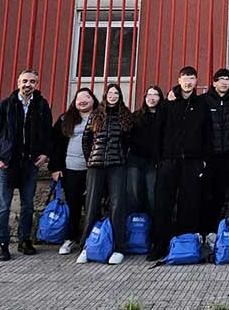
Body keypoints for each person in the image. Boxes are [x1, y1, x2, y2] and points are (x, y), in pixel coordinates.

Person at [0, 69, 52, 261]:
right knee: (3, 206)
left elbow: (48, 133)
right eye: (24, 81)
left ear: (37, 84)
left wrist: (46, 154)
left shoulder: (41, 105)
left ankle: (24, 240)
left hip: (29, 164)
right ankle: (2, 243)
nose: (28, 84)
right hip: (7, 164)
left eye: (32, 81)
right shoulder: (5, 105)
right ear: (17, 82)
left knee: (28, 205)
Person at [149, 67, 212, 261]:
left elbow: (207, 133)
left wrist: (204, 160)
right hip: (169, 160)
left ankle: (185, 245)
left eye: (192, 78)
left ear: (196, 81)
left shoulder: (202, 104)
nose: (188, 82)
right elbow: (157, 132)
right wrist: (159, 159)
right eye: (185, 78)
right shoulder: (169, 103)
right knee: (163, 204)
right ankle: (160, 245)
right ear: (179, 79)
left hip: (192, 161)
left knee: (189, 204)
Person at [76, 83, 132, 265]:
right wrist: (91, 158)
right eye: (110, 93)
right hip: (96, 166)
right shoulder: (96, 115)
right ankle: (86, 246)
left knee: (117, 206)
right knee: (92, 205)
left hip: (117, 165)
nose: (113, 96)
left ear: (120, 96)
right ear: (105, 95)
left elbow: (128, 142)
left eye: (116, 93)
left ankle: (118, 247)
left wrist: (121, 157)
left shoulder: (125, 117)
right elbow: (86, 140)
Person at [50, 87, 99, 255]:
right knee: (73, 205)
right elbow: (55, 145)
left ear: (93, 100)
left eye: (86, 97)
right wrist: (55, 168)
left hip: (93, 170)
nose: (82, 100)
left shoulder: (99, 118)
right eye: (79, 98)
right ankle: (70, 238)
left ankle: (90, 239)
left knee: (92, 206)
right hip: (71, 169)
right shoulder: (66, 119)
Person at [202, 68, 229, 243]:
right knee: (205, 194)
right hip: (209, 156)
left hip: (228, 156)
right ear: (214, 82)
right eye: (221, 79)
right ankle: (203, 230)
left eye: (227, 79)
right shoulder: (205, 100)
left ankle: (218, 230)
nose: (224, 82)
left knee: (222, 195)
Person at [127, 85, 162, 216]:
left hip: (154, 161)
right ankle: (133, 226)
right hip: (135, 159)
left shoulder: (164, 116)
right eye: (149, 95)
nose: (152, 98)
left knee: (152, 194)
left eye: (155, 95)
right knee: (133, 193)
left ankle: (151, 227)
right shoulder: (135, 115)